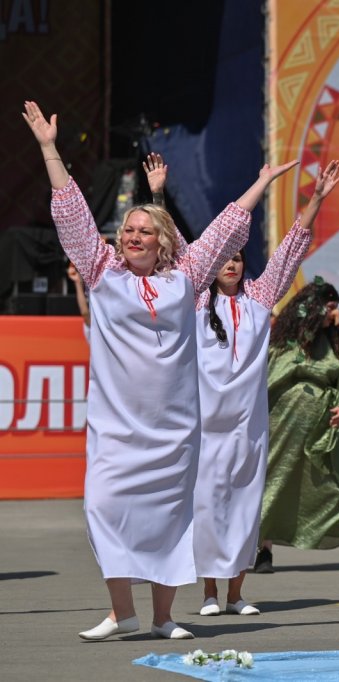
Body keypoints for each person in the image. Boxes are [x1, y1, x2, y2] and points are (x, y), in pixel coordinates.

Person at [24, 100, 297, 640]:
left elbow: (225, 229)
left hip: (174, 430)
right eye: (128, 229)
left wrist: (261, 182)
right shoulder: (103, 273)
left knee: (170, 522)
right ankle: (120, 612)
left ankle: (162, 617)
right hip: (118, 427)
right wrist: (49, 149)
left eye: (145, 231)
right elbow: (70, 211)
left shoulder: (187, 277)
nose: (133, 236)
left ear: (163, 241)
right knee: (103, 507)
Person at [194, 161, 339, 616]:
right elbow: (189, 253)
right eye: (225, 257)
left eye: (238, 257)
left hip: (248, 424)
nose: (232, 263)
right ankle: (208, 595)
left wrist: (316, 198)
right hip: (203, 425)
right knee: (208, 510)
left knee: (242, 508)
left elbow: (290, 252)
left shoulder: (260, 300)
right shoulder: (195, 299)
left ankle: (236, 594)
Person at [256, 278, 339, 572]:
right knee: (275, 479)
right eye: (329, 307)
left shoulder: (337, 342)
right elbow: (267, 378)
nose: (335, 313)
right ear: (312, 309)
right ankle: (263, 550)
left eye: (336, 307)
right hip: (283, 423)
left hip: (326, 424)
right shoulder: (283, 342)